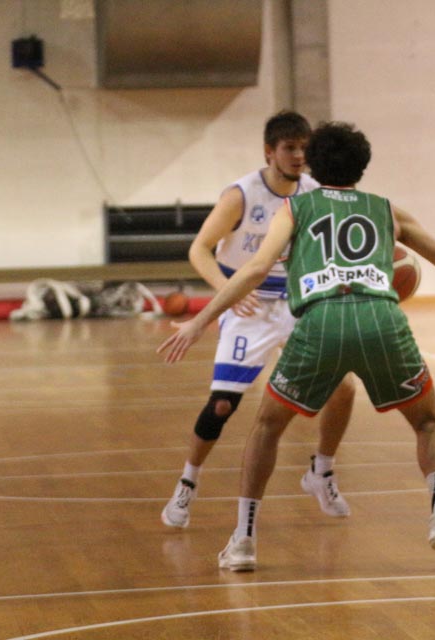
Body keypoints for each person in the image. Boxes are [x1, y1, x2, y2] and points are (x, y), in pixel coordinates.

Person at [159, 122, 435, 571]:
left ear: (313, 165)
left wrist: (200, 321)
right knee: (428, 422)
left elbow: (255, 269)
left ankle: (243, 541)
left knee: (267, 427)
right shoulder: (387, 210)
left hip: (321, 322)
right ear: (363, 166)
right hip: (382, 319)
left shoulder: (295, 208)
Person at [161, 111, 356, 529]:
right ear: (269, 151)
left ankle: (322, 472)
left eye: (304, 148)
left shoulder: (314, 193)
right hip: (248, 303)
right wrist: (227, 290)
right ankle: (187, 483)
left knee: (343, 387)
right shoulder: (241, 195)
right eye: (289, 148)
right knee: (221, 405)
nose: (299, 155)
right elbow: (199, 248)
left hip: (296, 300)